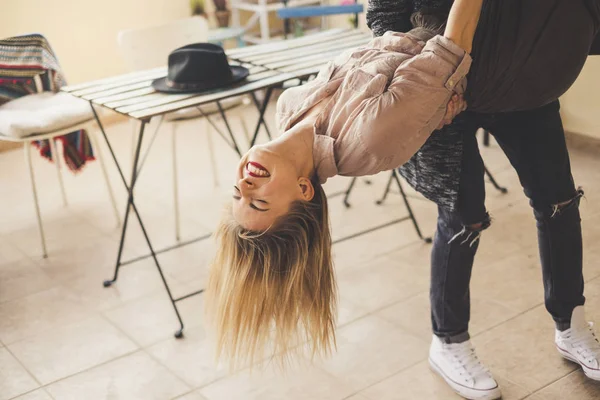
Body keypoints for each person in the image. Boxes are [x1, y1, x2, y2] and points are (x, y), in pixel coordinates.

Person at [205, 0, 483, 370]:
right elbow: (453, 42)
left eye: (238, 193)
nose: (245, 184)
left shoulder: (289, 108)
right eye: (258, 203)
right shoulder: (370, 138)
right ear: (305, 191)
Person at [365, 0, 600, 399]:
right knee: (462, 217)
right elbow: (384, 18)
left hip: (524, 76)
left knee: (558, 201)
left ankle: (571, 323)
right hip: (442, 82)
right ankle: (448, 340)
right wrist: (422, 81)